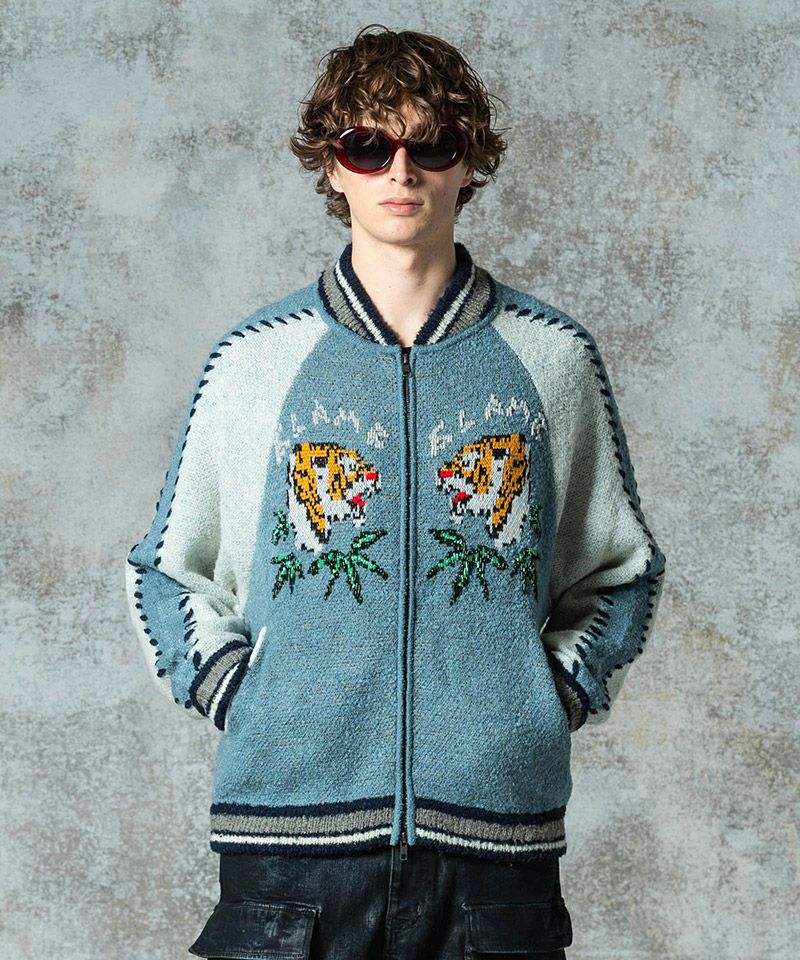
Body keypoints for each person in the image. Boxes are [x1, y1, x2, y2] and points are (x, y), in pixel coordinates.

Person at [124, 24, 667, 960]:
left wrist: (544, 702)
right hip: (289, 856)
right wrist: (246, 698)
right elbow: (165, 572)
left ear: (469, 165)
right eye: (368, 145)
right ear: (334, 168)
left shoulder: (552, 361)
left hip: (494, 857)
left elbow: (621, 571)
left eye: (432, 145)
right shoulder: (254, 364)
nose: (400, 171)